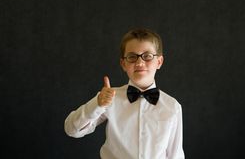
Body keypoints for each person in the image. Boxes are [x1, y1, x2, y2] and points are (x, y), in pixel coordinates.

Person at [64, 28, 185, 159]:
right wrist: (97, 104)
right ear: (123, 64)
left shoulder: (172, 106)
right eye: (132, 57)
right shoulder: (109, 97)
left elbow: (175, 155)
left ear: (159, 62)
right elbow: (71, 129)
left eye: (147, 56)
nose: (139, 62)